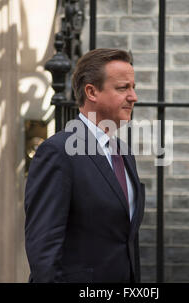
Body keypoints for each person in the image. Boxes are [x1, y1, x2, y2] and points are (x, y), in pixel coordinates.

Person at [24, 48, 145, 283]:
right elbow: (44, 249)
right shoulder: (58, 152)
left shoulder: (124, 153)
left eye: (133, 87)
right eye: (123, 88)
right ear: (91, 91)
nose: (133, 97)